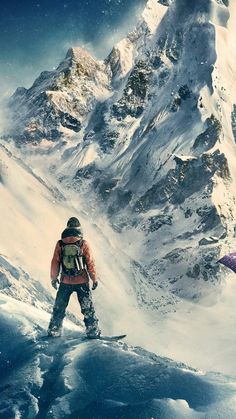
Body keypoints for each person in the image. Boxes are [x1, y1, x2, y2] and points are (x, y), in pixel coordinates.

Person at [47, 216, 101, 338]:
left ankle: (54, 331)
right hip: (82, 281)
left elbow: (55, 261)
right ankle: (93, 332)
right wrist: (94, 279)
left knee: (59, 308)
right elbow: (90, 263)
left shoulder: (60, 243)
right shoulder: (83, 243)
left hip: (65, 281)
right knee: (87, 308)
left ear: (67, 227)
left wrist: (54, 278)